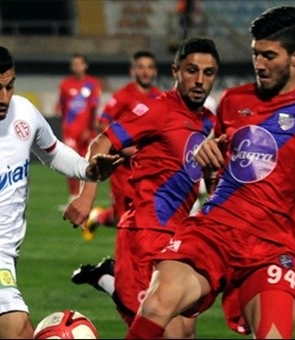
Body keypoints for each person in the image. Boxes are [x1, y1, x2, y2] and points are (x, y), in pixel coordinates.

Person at [125, 6, 295, 339]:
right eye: (256, 54)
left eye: (269, 55)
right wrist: (206, 154)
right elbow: (216, 158)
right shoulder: (233, 101)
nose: (259, 64)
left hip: (272, 246)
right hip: (213, 229)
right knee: (157, 306)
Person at [0, 40, 121, 339]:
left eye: (10, 86)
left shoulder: (23, 111)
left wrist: (86, 169)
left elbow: (52, 151)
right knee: (19, 333)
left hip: (5, 256)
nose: (4, 97)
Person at [64, 36, 221, 338]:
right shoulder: (159, 110)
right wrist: (87, 196)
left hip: (180, 235)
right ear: (176, 72)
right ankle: (113, 282)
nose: (200, 80)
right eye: (192, 70)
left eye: (208, 73)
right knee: (166, 333)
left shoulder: (208, 122)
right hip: (146, 234)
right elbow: (102, 141)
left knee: (187, 329)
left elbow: (212, 173)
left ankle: (110, 279)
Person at [79, 50, 163, 241]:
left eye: (150, 67)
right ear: (133, 71)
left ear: (155, 71)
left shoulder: (160, 98)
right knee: (123, 218)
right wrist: (122, 147)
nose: (145, 72)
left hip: (149, 167)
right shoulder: (123, 96)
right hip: (123, 169)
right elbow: (102, 124)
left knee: (146, 217)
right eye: (141, 67)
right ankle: (100, 217)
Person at [56, 53, 102, 206]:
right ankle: (73, 195)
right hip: (71, 131)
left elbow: (94, 108)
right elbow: (63, 107)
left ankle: (86, 197)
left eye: (79, 64)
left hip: (87, 130)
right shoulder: (64, 85)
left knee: (88, 163)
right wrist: (65, 127)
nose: (77, 67)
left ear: (85, 65)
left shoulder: (93, 84)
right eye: (74, 64)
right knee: (70, 162)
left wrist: (90, 128)